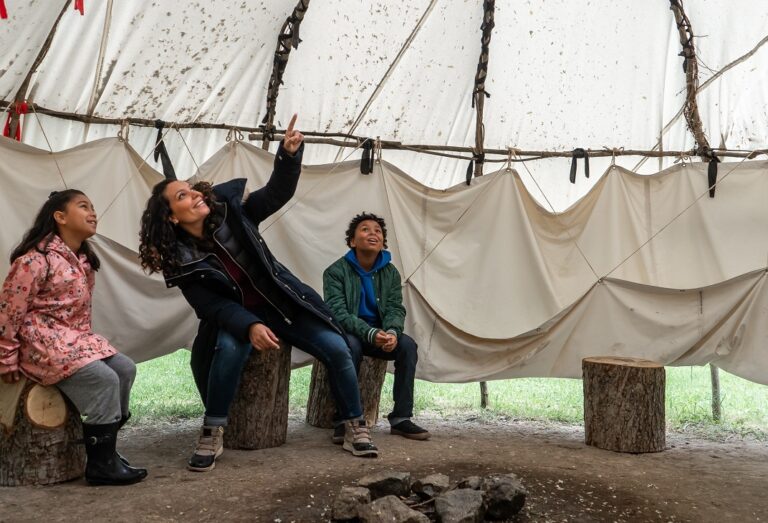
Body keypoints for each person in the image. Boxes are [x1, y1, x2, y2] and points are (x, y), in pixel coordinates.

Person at [138, 114, 378, 471]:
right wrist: (249, 325)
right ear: (172, 216)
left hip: (284, 305)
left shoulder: (233, 213)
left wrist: (289, 155)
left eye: (191, 188)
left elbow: (276, 193)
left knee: (337, 348)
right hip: (237, 319)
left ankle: (353, 425)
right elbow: (211, 306)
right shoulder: (180, 260)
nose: (194, 194)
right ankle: (213, 431)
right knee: (229, 349)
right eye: (182, 195)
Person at [0, 190, 147, 486]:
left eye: (93, 207)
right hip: (40, 342)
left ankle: (106, 450)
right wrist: (6, 356)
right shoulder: (35, 259)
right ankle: (101, 466)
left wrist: (87, 347)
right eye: (83, 207)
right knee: (103, 379)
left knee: (124, 368)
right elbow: (9, 310)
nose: (93, 212)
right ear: (60, 217)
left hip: (73, 339)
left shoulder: (82, 260)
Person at [323, 212, 430, 443]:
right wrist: (368, 333)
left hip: (380, 334)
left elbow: (395, 308)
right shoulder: (335, 272)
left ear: (382, 242)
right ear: (352, 241)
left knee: (407, 346)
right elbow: (338, 313)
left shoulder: (390, 273)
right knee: (349, 347)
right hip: (351, 333)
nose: (373, 233)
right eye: (365, 229)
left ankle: (401, 418)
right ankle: (345, 419)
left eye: (378, 231)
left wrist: (392, 332)